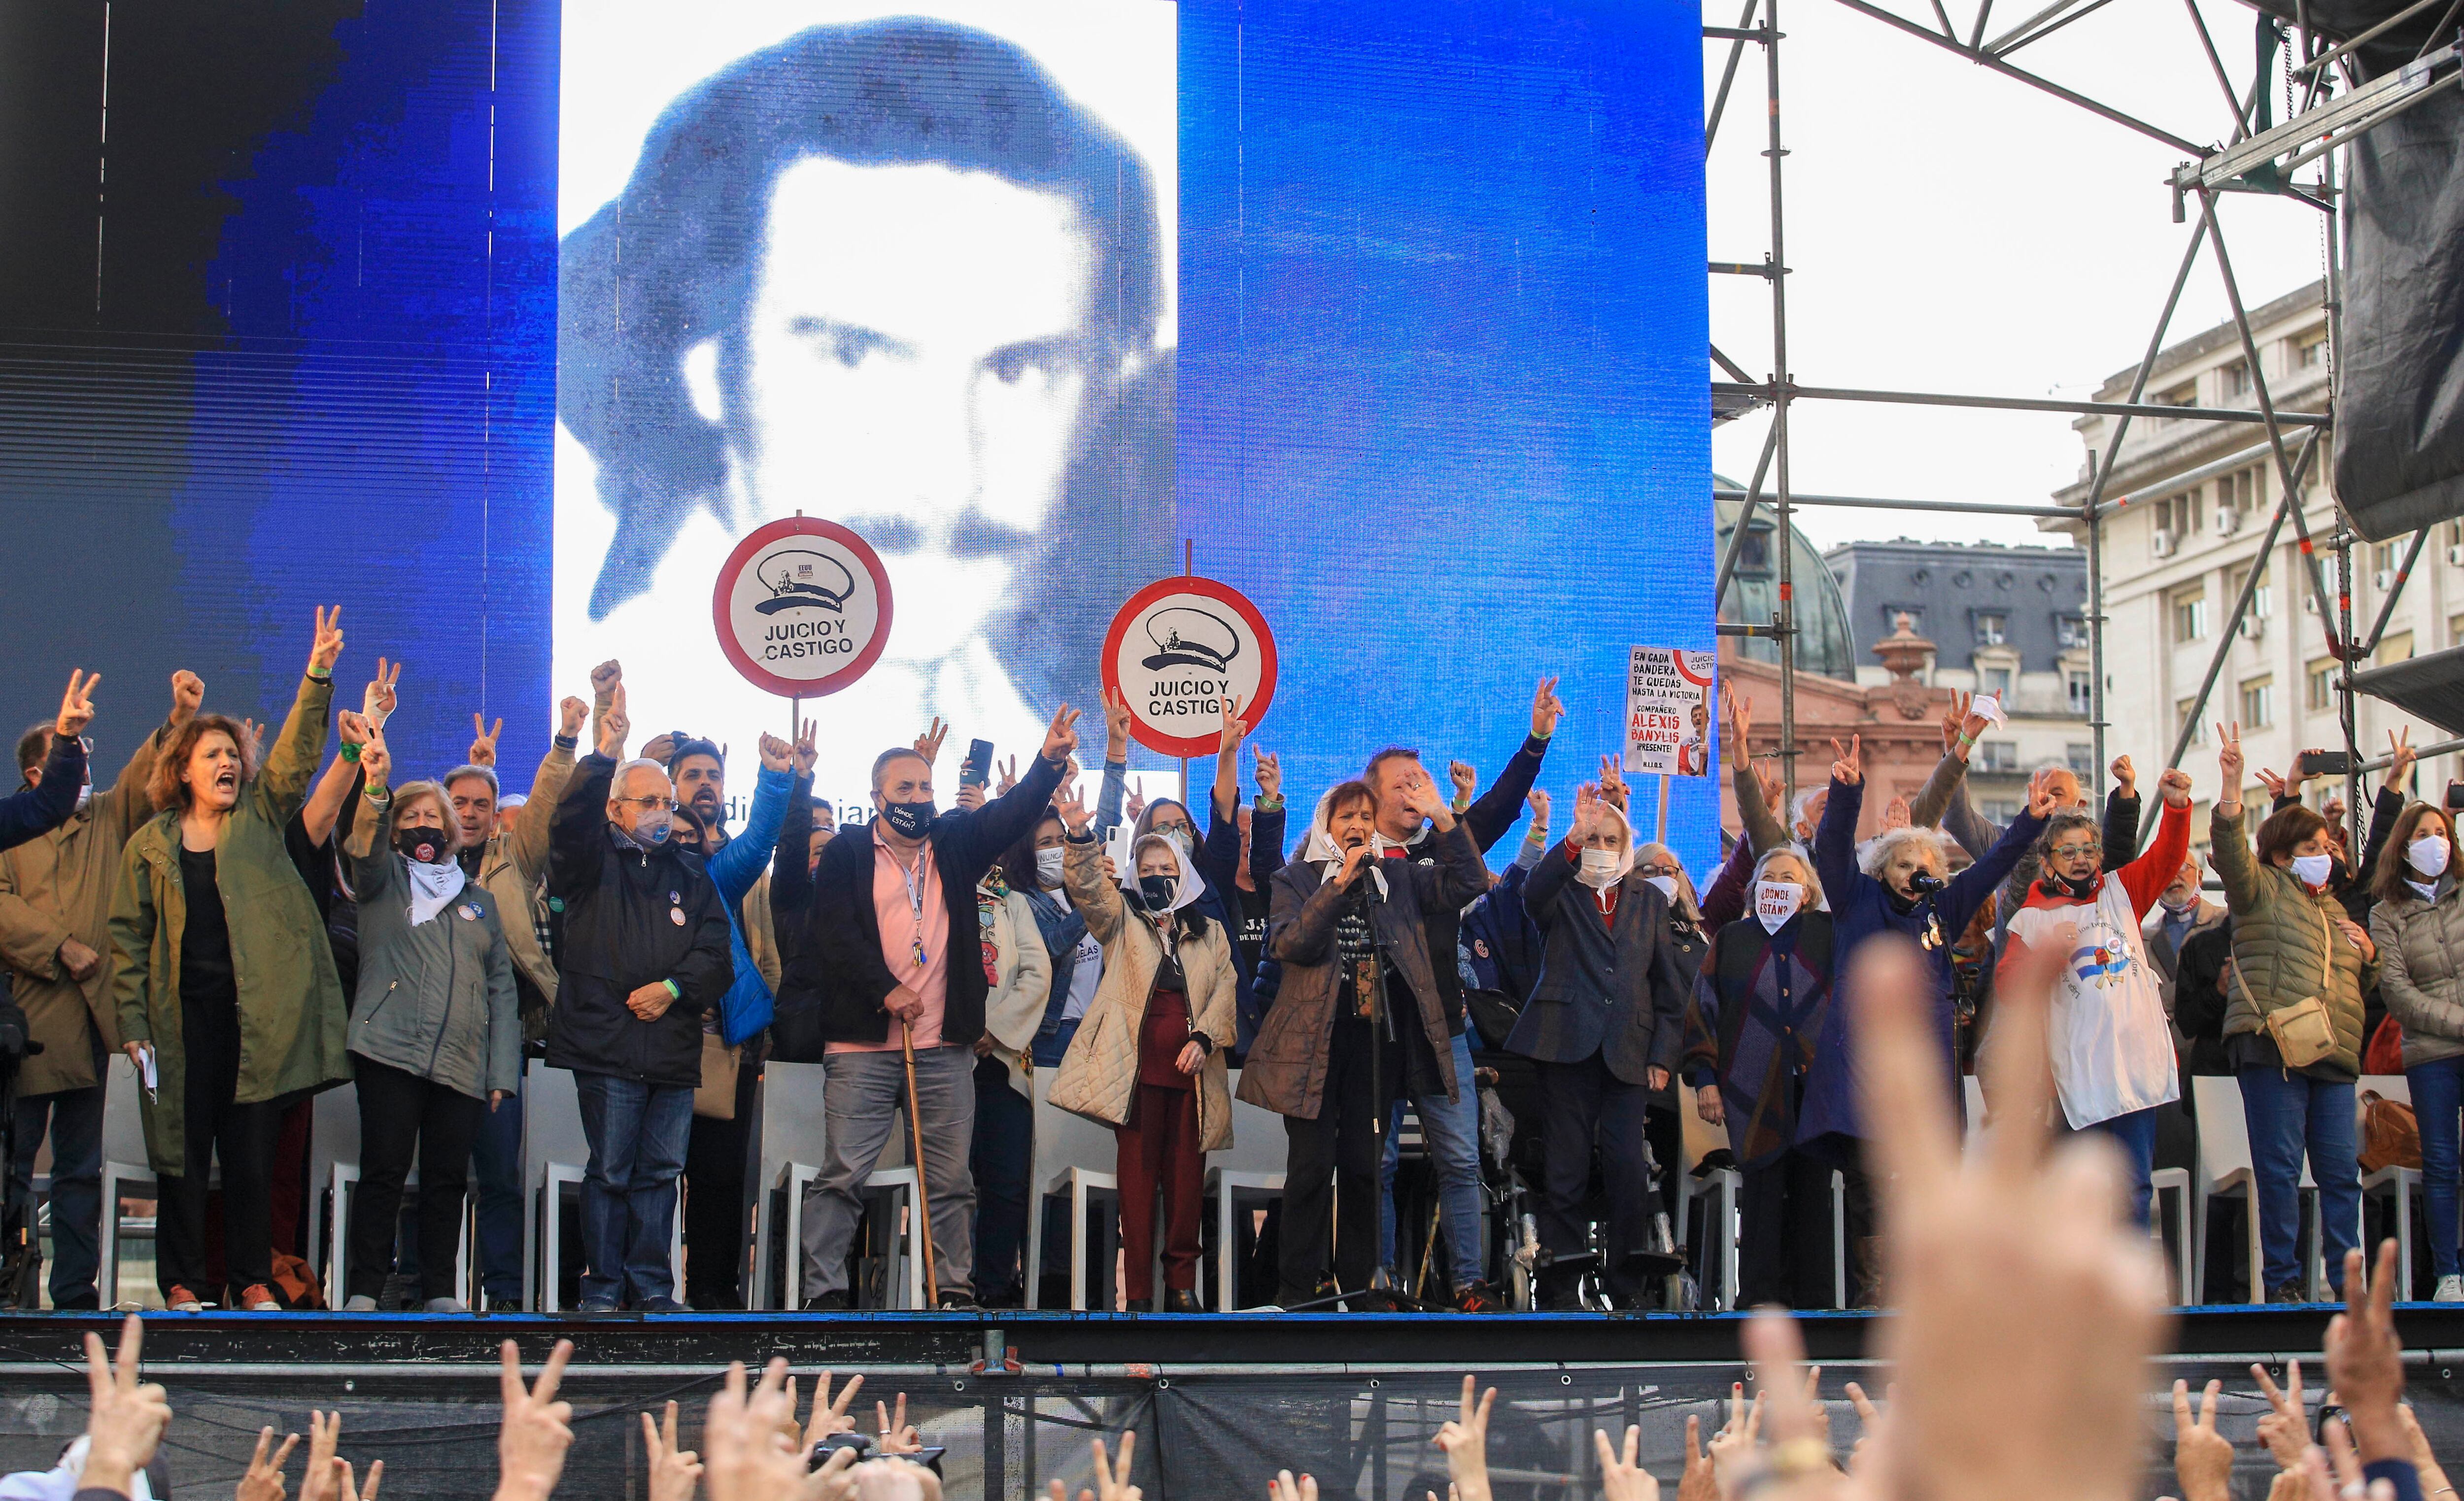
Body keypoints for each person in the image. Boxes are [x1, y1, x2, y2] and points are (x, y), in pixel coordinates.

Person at [556, 19, 1170, 786]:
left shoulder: (1063, 753)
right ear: (710, 366)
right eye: (855, 356)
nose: (950, 477)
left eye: (1021, 370)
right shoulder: (599, 712)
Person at [783, 703, 1078, 1309]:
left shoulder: (952, 843)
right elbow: (834, 932)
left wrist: (1049, 764)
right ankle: (824, 1296)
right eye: (904, 787)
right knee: (842, 1176)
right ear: (876, 796)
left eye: (925, 786)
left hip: (942, 1046)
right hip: (861, 1045)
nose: (917, 797)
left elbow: (1006, 815)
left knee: (950, 1181)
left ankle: (953, 1292)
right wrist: (883, 988)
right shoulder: (845, 852)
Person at [110, 609, 354, 1312]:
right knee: (181, 1159)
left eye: (231, 754)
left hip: (255, 1024)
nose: (226, 762)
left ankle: (251, 1277)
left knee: (249, 1158)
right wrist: (132, 1023)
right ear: (181, 769)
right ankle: (183, 1281)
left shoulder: (257, 819)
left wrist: (318, 673)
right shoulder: (150, 846)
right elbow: (127, 938)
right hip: (178, 1024)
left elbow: (296, 758)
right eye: (210, 754)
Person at [1811, 734, 2050, 1303]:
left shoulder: (1942, 909)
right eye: (1901, 862)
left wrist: (2028, 823)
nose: (1912, 870)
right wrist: (1846, 795)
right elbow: (1830, 853)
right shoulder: (1854, 900)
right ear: (1881, 868)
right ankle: (1874, 1295)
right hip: (1863, 1071)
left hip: (1926, 1069)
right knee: (1870, 1186)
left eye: (1923, 863)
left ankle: (1924, 1292)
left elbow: (1990, 868)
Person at [1241, 774, 1485, 1310]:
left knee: (1362, 1168)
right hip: (1311, 1047)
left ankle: (1362, 1289)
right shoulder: (1296, 879)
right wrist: (1337, 885)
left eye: (1365, 818)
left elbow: (1467, 884)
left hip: (1375, 1043)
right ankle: (1296, 1293)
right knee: (1309, 1169)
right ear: (1326, 823)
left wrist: (1443, 817)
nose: (1356, 826)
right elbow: (1291, 944)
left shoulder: (1396, 877)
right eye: (1345, 817)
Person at [0, 670, 190, 1311]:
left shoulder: (107, 816)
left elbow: (143, 776)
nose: (85, 779)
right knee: (14, 1165)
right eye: (70, 766)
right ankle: (9, 1286)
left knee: (81, 1169)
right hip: (24, 1028)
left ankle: (75, 1294)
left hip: (88, 1024)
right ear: (37, 775)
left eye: (84, 765)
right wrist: (58, 946)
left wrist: (176, 720)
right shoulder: (11, 838)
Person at [543, 686, 736, 1313]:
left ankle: (654, 1289)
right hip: (608, 1046)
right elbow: (567, 823)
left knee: (660, 1177)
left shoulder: (690, 874)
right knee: (612, 1172)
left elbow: (717, 957)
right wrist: (601, 752)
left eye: (665, 800)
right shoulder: (590, 860)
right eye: (648, 801)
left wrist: (674, 989)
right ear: (617, 811)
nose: (661, 809)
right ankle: (601, 1291)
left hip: (673, 1050)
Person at [336, 740, 521, 1313]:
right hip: (388, 1050)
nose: (424, 825)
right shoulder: (382, 879)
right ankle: (365, 1288)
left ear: (453, 828)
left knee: (447, 1180)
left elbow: (501, 990)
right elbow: (362, 848)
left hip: (463, 1062)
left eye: (432, 817)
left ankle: (440, 1289)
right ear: (396, 830)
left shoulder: (479, 902)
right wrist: (374, 787)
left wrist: (500, 1070)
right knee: (385, 1173)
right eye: (411, 817)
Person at [1049, 783, 1239, 1312]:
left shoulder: (1212, 933)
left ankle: (1181, 1287)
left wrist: (1204, 1037)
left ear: (1185, 872)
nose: (1157, 876)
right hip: (1133, 1069)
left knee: (1184, 1186)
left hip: (1194, 1070)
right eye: (1147, 868)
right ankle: (1134, 1296)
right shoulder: (1122, 920)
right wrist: (1081, 836)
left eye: (1167, 868)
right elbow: (1088, 890)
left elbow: (1225, 989)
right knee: (1136, 1187)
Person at [1502, 784, 1687, 1308]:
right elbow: (1531, 894)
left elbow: (1666, 987)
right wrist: (1571, 837)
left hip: (1628, 1052)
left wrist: (1661, 1056)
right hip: (1565, 1047)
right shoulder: (1560, 891)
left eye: (1611, 838)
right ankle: (1561, 1289)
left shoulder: (1648, 900)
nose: (1602, 847)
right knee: (1566, 1169)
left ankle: (1627, 1287)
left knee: (1629, 1169)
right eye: (1594, 839)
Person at [2209, 720, 2373, 1303]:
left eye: (2327, 849)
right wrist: (2230, 786)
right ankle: (2281, 1286)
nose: (2324, 857)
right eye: (2311, 849)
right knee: (2278, 1175)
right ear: (2281, 855)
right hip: (2270, 1045)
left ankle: (2345, 1284)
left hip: (2333, 1052)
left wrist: (2369, 957)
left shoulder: (2332, 909)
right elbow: (2229, 853)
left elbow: (2356, 984)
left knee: (2338, 1177)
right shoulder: (2259, 890)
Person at [1993, 765, 2196, 1227]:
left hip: (2135, 1066)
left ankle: (2132, 1291)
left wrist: (2178, 806)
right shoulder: (2033, 917)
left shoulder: (2123, 890)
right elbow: (2008, 988)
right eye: (2069, 852)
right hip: (2080, 1078)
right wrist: (2046, 955)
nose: (2082, 859)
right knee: (2084, 1192)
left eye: (2089, 849)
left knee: (2135, 1187)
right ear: (2049, 863)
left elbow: (2167, 857)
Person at [451, 690, 586, 1312]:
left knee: (500, 1176)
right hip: (429, 1039)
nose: (472, 812)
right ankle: (417, 1284)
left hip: (501, 1039)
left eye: (482, 803)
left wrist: (564, 742)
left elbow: (542, 809)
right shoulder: (413, 864)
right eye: (458, 803)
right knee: (430, 1173)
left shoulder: (515, 859)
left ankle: (503, 1294)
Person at [664, 730, 796, 1310]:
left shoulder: (712, 875)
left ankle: (713, 1298)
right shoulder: (624, 871)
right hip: (648, 1048)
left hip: (721, 1048)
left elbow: (762, 838)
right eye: (691, 776)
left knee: (719, 1182)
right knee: (649, 1178)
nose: (705, 786)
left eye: (713, 776)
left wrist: (772, 779)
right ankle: (645, 1293)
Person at [1683, 845, 1836, 1308]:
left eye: (1791, 876)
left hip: (1817, 1093)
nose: (1780, 882)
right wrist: (1704, 1076)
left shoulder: (1827, 935)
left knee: (1814, 1201)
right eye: (1770, 875)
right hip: (1753, 1092)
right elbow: (1701, 1014)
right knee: (1763, 1203)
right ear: (1754, 889)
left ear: (1807, 891)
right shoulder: (1733, 940)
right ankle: (1757, 1309)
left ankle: (1816, 1312)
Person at [2368, 797, 2464, 1300]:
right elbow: (2397, 993)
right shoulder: (2385, 913)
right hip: (2430, 1055)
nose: (2436, 843)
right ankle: (2448, 1272)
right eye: (2424, 835)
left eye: (2442, 832)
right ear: (2404, 848)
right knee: (2442, 1161)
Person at [962, 801, 1052, 1311]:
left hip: (1001, 1062)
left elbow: (1036, 973)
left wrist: (994, 1031)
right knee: (952, 1183)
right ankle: (951, 1288)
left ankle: (996, 1287)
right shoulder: (932, 891)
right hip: (944, 1061)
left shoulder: (1010, 901)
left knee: (1005, 1182)